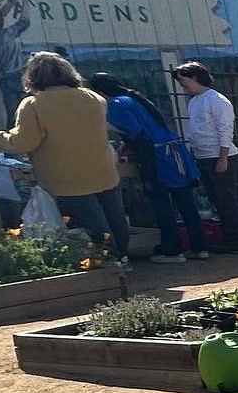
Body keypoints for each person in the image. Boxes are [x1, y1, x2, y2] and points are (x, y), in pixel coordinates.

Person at [0, 51, 130, 265]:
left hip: (66, 177)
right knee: (115, 217)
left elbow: (22, 143)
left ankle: (110, 264)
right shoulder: (94, 98)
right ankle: (123, 258)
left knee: (92, 224)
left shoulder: (33, 104)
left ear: (32, 77)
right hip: (104, 170)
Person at [88, 73, 209, 265]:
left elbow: (134, 130)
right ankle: (199, 246)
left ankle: (172, 250)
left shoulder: (116, 104)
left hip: (158, 156)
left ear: (100, 92)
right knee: (185, 201)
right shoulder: (134, 98)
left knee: (161, 202)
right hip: (174, 151)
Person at [172, 62, 238, 253]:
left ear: (195, 77)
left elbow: (225, 131)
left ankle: (236, 239)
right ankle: (226, 235)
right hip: (203, 156)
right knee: (215, 198)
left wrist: (223, 158)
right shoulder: (195, 101)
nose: (182, 85)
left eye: (183, 80)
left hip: (220, 156)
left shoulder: (217, 101)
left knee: (226, 199)